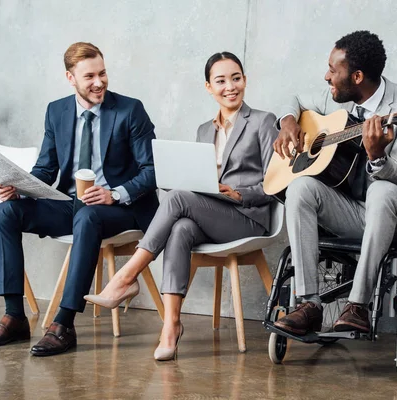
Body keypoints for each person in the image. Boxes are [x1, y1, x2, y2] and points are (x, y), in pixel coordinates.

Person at [85, 51, 278, 360]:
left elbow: (275, 183)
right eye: (221, 80)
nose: (230, 86)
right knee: (181, 227)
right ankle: (171, 326)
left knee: (177, 200)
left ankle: (125, 278)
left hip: (248, 216)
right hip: (212, 214)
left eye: (236, 78)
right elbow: (199, 179)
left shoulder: (263, 121)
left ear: (245, 80)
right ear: (208, 87)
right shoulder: (204, 130)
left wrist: (238, 193)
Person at [0, 42, 159, 356]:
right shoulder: (57, 110)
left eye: (102, 73)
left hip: (121, 208)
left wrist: (114, 193)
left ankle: (64, 324)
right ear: (70, 78)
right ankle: (14, 316)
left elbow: (153, 169)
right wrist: (19, 187)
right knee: (5, 212)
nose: (99, 82)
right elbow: (46, 168)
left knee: (87, 216)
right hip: (70, 203)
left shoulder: (130, 110)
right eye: (89, 76)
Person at [272, 31, 397, 335]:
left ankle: (358, 305)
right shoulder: (338, 100)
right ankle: (309, 305)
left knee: (382, 190)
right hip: (355, 211)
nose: (326, 76)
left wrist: (377, 156)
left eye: (334, 70)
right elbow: (294, 99)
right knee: (301, 187)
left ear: (356, 76)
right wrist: (288, 122)